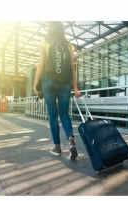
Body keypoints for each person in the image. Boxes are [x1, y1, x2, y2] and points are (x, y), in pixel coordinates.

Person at [33, 21, 81, 159]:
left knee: (53, 116)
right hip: (64, 84)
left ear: (50, 29)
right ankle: (70, 140)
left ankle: (57, 147)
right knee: (64, 114)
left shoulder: (45, 42)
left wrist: (35, 84)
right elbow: (72, 68)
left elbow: (41, 64)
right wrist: (76, 88)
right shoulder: (69, 45)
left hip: (48, 82)